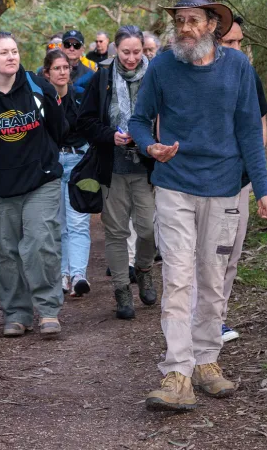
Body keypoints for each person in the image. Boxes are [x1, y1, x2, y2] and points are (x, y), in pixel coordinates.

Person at [128, 0, 267, 411]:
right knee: (178, 276)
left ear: (213, 24)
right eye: (179, 21)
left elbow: (250, 130)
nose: (185, 28)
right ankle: (177, 371)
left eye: (193, 20)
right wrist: (149, 146)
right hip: (175, 183)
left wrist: (263, 189)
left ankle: (206, 361)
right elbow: (139, 121)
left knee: (214, 279)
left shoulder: (238, 68)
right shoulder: (161, 67)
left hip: (227, 186)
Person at [0, 31, 66, 338]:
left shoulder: (38, 87)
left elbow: (59, 127)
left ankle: (48, 310)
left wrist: (41, 160)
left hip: (40, 181)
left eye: (15, 51)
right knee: (7, 252)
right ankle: (17, 313)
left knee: (39, 243)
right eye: (4, 52)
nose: (11, 57)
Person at [77, 25, 157, 321]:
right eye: (126, 52)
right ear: (115, 49)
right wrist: (110, 135)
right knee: (116, 232)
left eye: (137, 52)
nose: (132, 58)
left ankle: (145, 270)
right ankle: (122, 290)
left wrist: (149, 138)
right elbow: (84, 121)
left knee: (148, 229)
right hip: (112, 168)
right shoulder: (102, 78)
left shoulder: (154, 77)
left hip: (147, 167)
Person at [217, 15, 267, 343]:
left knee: (231, 252)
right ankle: (198, 318)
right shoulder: (199, 76)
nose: (237, 49)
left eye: (240, 42)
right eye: (228, 43)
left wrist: (256, 170)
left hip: (240, 180)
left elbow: (260, 121)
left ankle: (217, 319)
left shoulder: (249, 75)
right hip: (206, 181)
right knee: (207, 253)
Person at [42, 49, 92, 297]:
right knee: (58, 224)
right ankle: (62, 273)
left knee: (79, 221)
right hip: (53, 163)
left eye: (66, 68)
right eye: (57, 68)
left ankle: (79, 274)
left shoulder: (82, 96)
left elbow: (93, 126)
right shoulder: (42, 99)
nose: (62, 72)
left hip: (79, 162)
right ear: (47, 73)